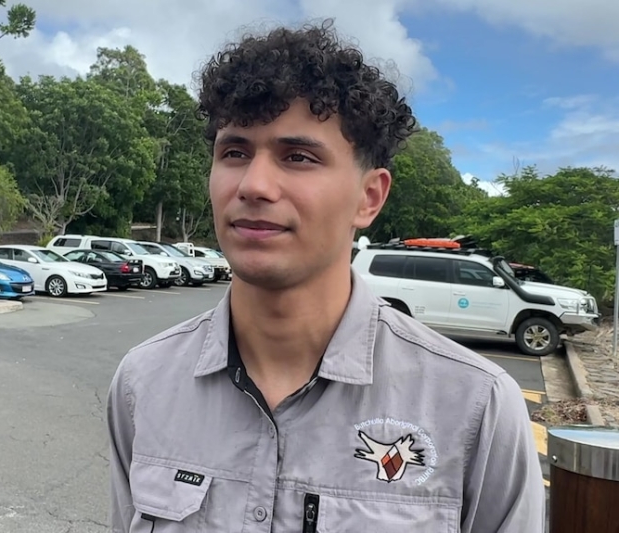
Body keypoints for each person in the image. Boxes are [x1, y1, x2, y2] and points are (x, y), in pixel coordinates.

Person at [107, 19, 545, 533]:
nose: (254, 184)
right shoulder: (143, 383)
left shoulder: (476, 406)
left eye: (297, 157)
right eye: (234, 152)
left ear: (370, 197)